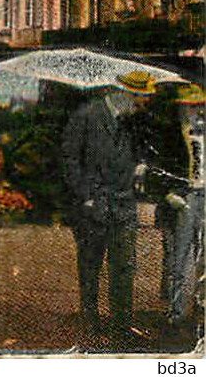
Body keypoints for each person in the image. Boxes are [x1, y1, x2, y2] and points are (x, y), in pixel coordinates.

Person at [61, 69, 154, 340]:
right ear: (123, 94)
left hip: (124, 205)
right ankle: (91, 328)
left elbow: (143, 150)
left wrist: (141, 164)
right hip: (94, 207)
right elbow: (69, 159)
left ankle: (121, 328)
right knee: (90, 269)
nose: (142, 105)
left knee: (124, 268)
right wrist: (86, 195)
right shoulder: (86, 116)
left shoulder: (133, 121)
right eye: (139, 99)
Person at [152, 83, 205, 329]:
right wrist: (168, 194)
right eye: (188, 106)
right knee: (179, 258)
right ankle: (176, 312)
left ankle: (201, 310)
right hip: (185, 198)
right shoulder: (170, 134)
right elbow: (158, 168)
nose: (193, 110)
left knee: (203, 257)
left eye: (197, 106)